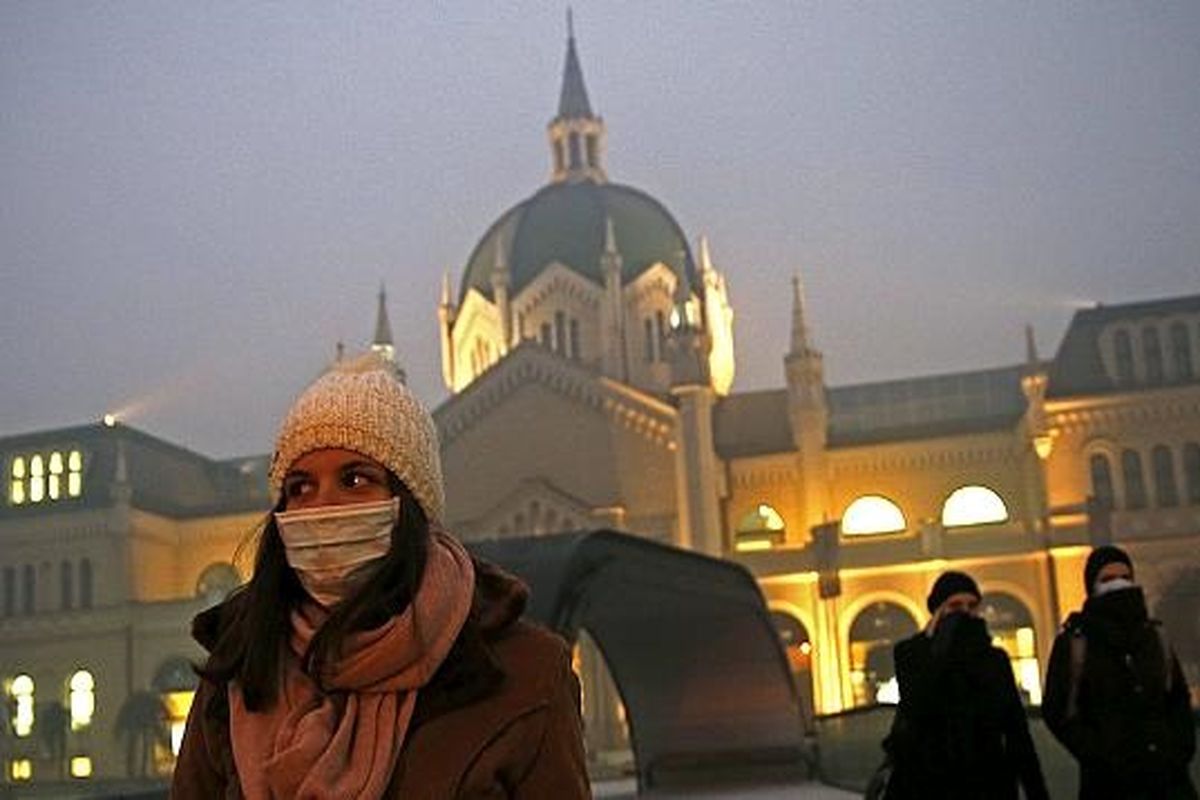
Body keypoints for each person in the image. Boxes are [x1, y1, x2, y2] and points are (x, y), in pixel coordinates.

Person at [171, 352, 591, 799]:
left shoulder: (524, 673)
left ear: (409, 505)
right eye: (300, 487)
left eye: (355, 480)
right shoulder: (239, 664)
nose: (322, 507)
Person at [1043, 545, 1197, 800]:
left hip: (1168, 782)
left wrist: (1178, 750)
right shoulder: (1076, 642)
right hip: (1109, 786)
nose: (1118, 585)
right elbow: (1057, 711)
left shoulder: (1154, 637)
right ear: (1092, 585)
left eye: (1125, 578)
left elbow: (1177, 698)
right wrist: (1101, 754)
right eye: (1107, 579)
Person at [881, 571, 1049, 800]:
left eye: (972, 605)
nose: (965, 613)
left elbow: (1016, 729)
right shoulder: (911, 653)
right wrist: (940, 647)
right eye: (955, 606)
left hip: (988, 783)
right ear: (938, 611)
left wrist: (1036, 790)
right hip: (928, 783)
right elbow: (918, 706)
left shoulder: (993, 659)